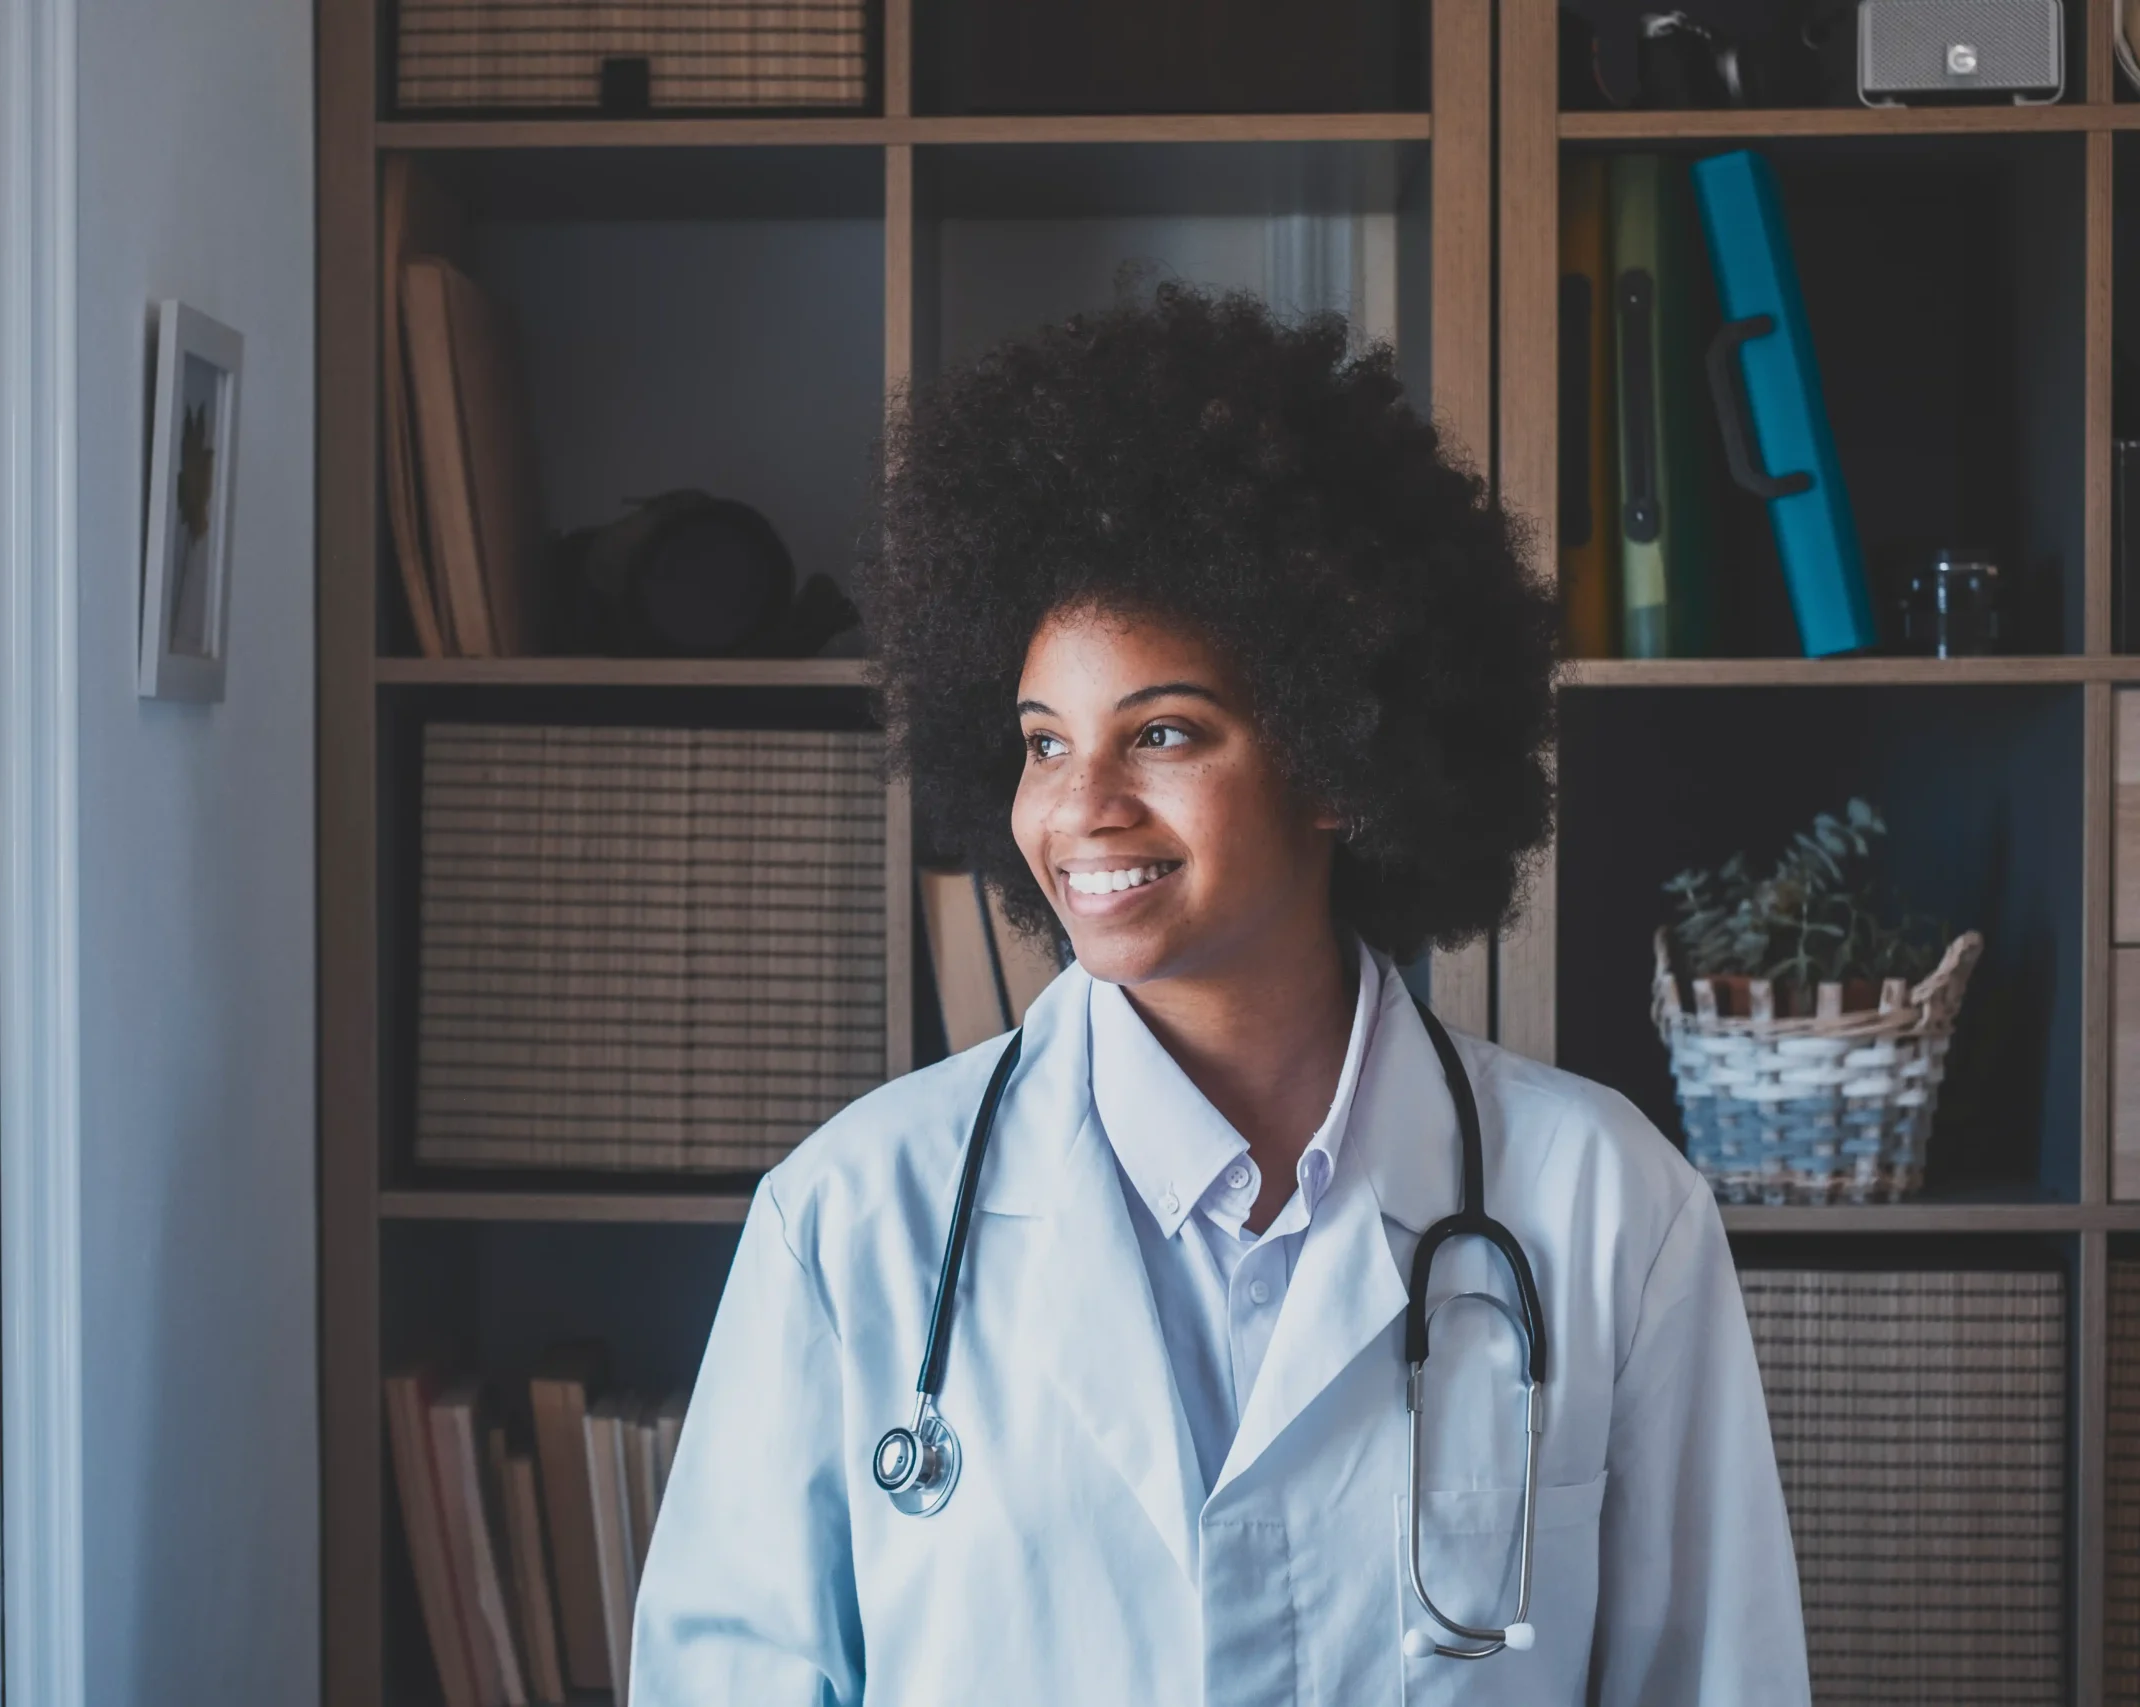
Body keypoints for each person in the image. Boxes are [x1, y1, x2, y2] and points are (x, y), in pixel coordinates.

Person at [629, 284, 1809, 1704]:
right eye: (1044, 742)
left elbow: (1716, 1679)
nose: (1083, 809)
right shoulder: (851, 1221)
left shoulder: (1610, 1206)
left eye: (1165, 731)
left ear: (1333, 756)